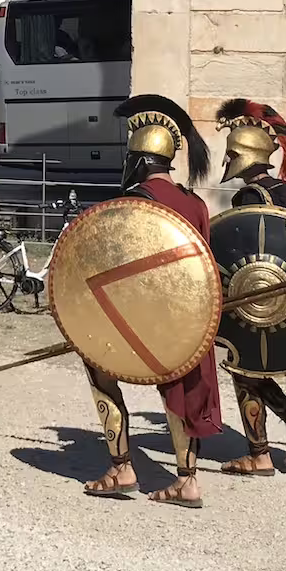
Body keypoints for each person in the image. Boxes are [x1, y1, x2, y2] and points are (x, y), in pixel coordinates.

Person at [81, 94, 226, 510]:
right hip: (186, 322)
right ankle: (187, 481)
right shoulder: (195, 203)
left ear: (140, 161)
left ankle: (121, 468)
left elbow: (108, 266)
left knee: (98, 366)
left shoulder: (134, 203)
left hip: (140, 323)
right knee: (180, 387)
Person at [213, 99, 286, 477]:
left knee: (243, 367)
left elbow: (240, 254)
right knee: (252, 367)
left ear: (242, 156)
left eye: (231, 154)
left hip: (258, 297)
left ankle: (261, 453)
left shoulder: (249, 197)